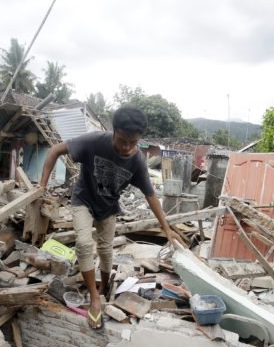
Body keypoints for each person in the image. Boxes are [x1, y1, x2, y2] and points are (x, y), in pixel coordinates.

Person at [39, 105, 181, 329]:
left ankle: (104, 287)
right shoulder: (95, 141)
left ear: (139, 140)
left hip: (108, 207)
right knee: (84, 245)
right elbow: (55, 150)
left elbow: (151, 196)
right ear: (113, 131)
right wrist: (42, 186)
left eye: (132, 143)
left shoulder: (137, 162)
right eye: (122, 140)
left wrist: (166, 228)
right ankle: (95, 298)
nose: (126, 147)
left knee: (106, 251)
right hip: (83, 200)